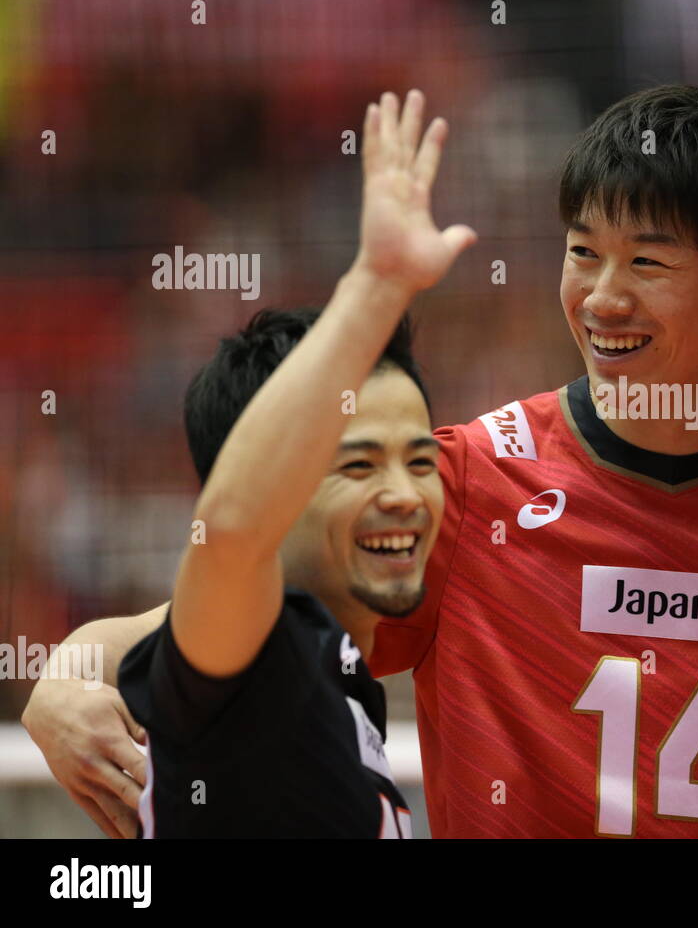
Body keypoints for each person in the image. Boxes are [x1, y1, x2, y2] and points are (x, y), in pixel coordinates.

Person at [24, 85, 698, 838]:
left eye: (647, 261)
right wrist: (59, 688)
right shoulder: (463, 483)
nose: (602, 298)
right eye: (583, 252)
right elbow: (205, 614)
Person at [117, 91, 476, 835]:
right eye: (357, 466)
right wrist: (377, 285)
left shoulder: (339, 679)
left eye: (419, 459)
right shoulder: (247, 662)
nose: (406, 494)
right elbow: (233, 524)